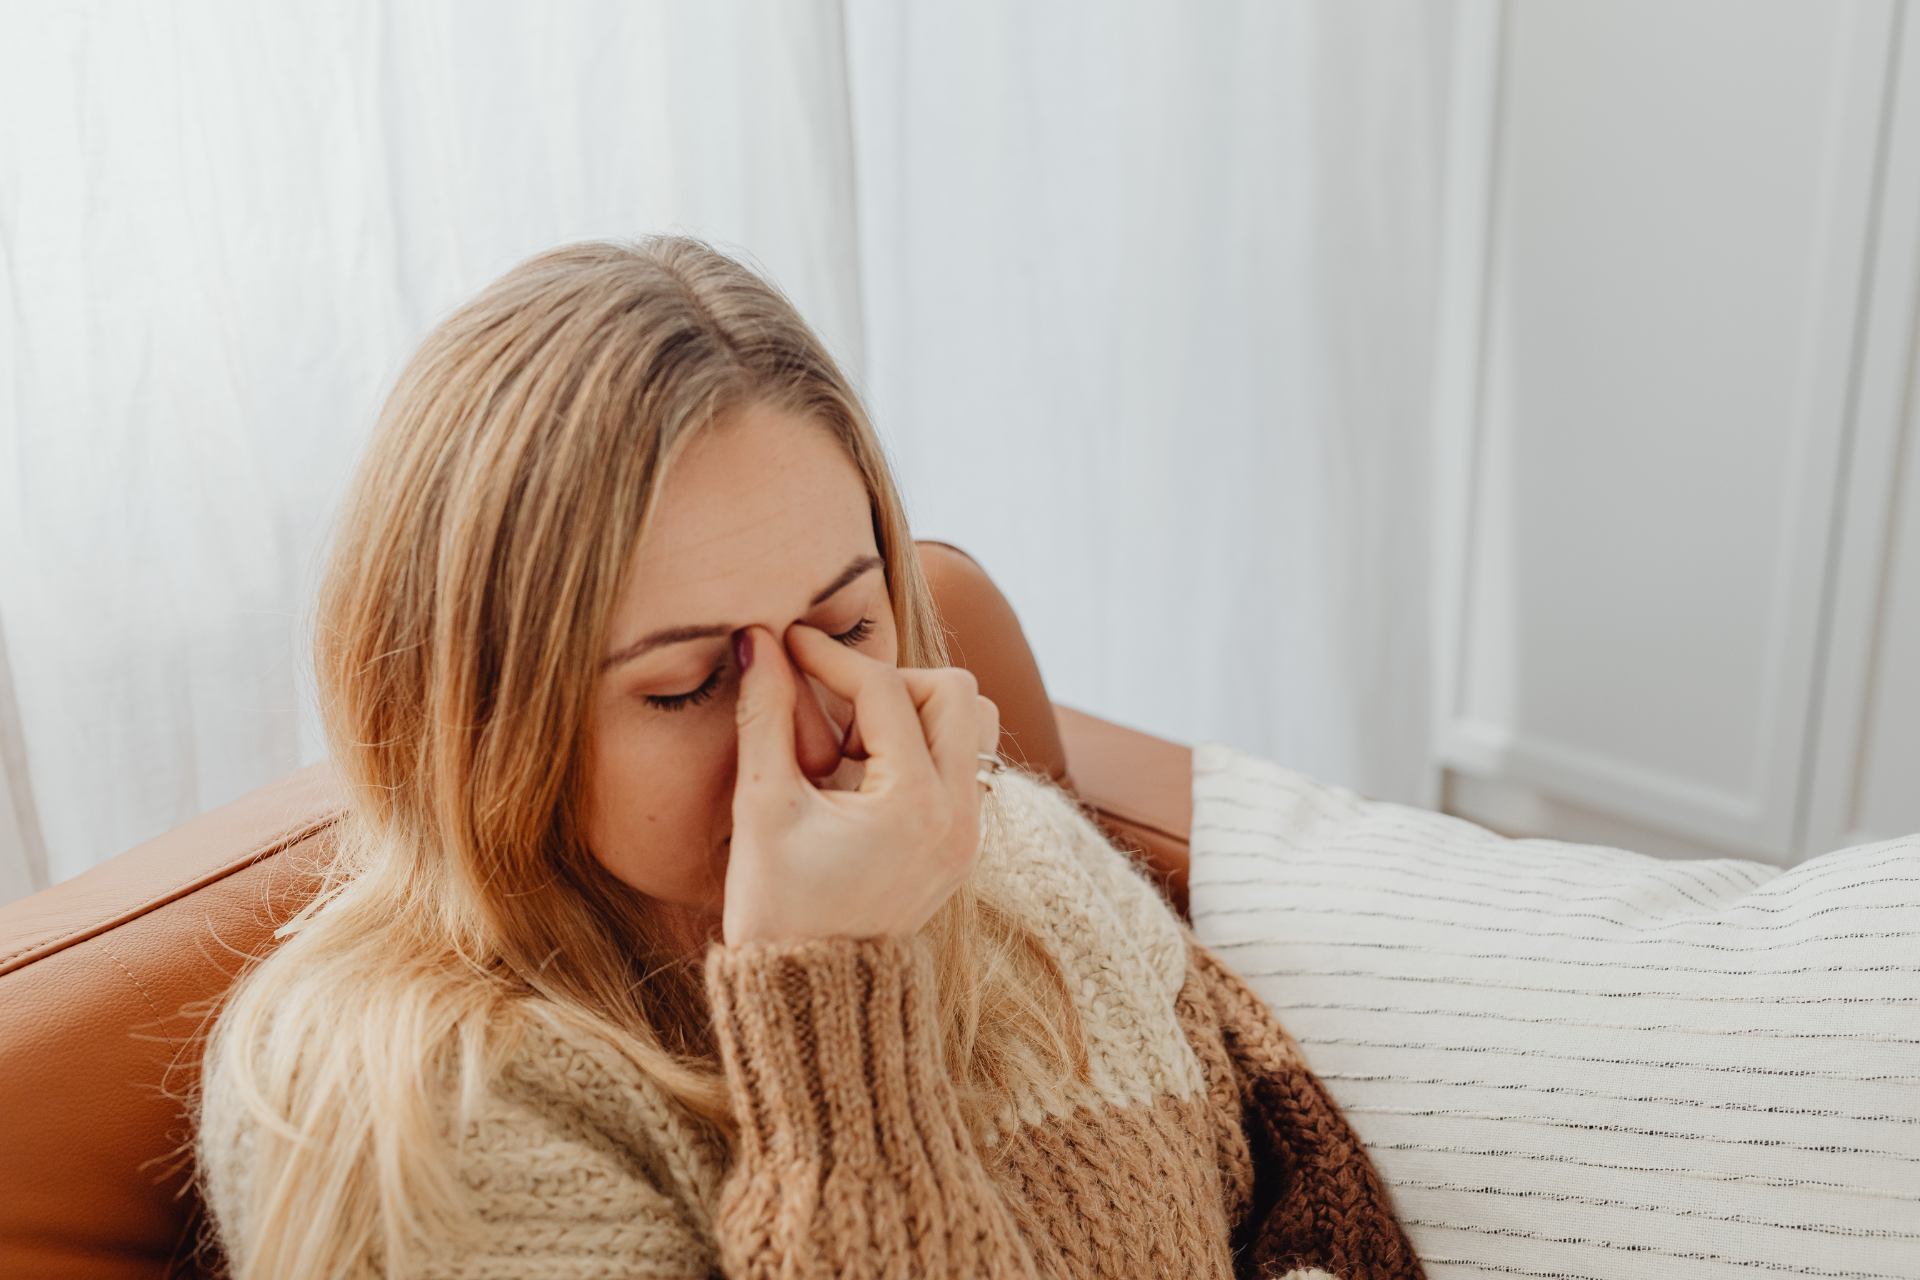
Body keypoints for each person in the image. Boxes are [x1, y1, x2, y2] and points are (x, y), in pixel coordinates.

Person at [196, 237, 1421, 1280]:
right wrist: (829, 999)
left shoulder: (1014, 853)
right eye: (687, 684)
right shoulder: (402, 1112)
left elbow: (1304, 1180)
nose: (814, 733)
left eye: (844, 629)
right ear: (476, 721)